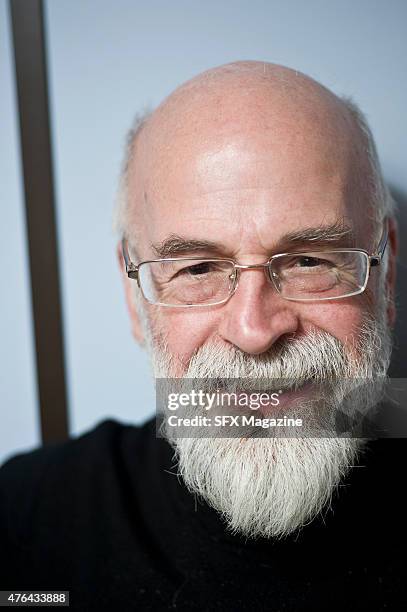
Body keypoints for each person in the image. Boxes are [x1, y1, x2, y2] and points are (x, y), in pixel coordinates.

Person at [0, 61, 404, 610]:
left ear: (387, 273)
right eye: (197, 269)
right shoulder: (30, 518)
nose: (254, 331)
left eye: (310, 260)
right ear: (135, 297)